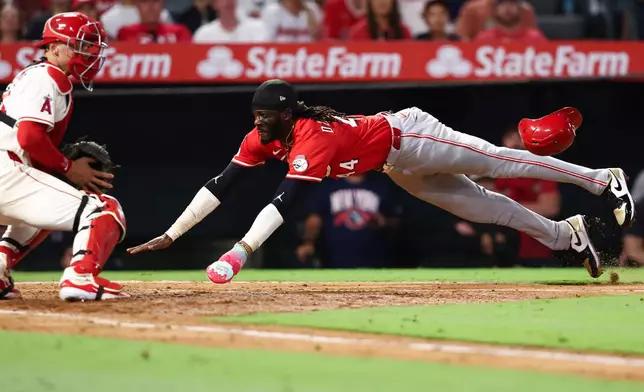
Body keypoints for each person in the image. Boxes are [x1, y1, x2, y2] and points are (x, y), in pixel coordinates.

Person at [127, 79, 635, 283]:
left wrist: (237, 253)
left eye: (267, 117)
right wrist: (173, 234)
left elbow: (286, 201)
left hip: (409, 135)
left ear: (286, 115)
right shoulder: (263, 137)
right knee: (487, 209)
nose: (259, 124)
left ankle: (599, 179)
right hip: (395, 165)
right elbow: (222, 184)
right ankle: (569, 235)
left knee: (497, 161)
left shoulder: (311, 136)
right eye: (255, 115)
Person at [0, 12, 128, 301]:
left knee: (46, 214)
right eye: (81, 45)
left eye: (91, 46)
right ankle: (80, 277)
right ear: (54, 47)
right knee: (103, 209)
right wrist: (68, 166)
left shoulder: (39, 75)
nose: (90, 53)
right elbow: (29, 137)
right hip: (6, 168)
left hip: (8, 169)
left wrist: (59, 160)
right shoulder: (48, 76)